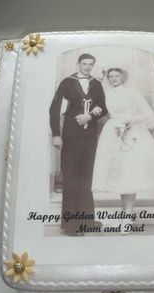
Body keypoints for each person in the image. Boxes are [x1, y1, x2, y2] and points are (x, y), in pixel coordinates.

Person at [92, 68, 154, 233]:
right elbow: (99, 108)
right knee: (119, 175)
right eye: (111, 77)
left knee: (129, 172)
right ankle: (125, 214)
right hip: (112, 133)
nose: (114, 79)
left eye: (117, 76)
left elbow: (148, 114)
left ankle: (127, 216)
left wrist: (130, 120)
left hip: (133, 133)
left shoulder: (132, 93)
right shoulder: (106, 94)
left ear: (123, 77)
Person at [49, 53, 108, 235]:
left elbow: (103, 108)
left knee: (85, 178)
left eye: (90, 64)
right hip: (71, 136)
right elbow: (54, 110)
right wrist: (56, 135)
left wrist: (90, 116)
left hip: (89, 137)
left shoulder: (96, 84)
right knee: (72, 178)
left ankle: (87, 220)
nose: (87, 67)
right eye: (84, 64)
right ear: (78, 64)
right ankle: (71, 225)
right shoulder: (67, 83)